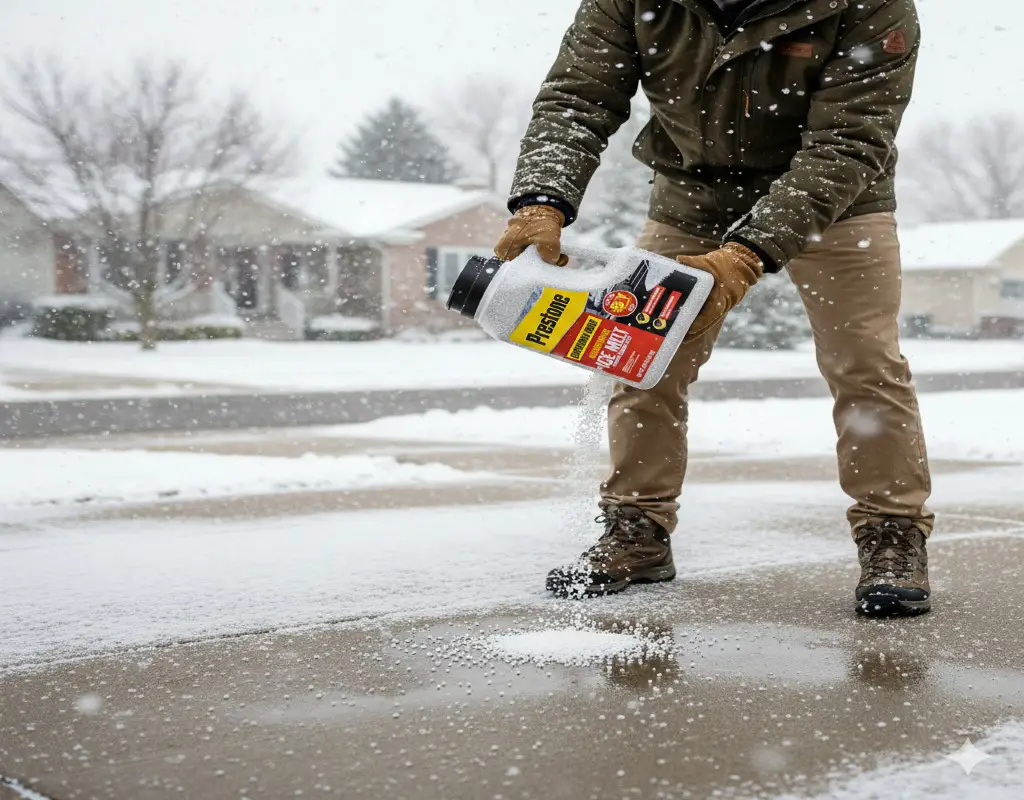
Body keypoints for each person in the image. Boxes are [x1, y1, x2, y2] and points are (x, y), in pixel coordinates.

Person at [494, 0, 933, 617]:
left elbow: (849, 141)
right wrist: (542, 199)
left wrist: (746, 255)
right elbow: (578, 96)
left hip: (838, 202)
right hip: (692, 195)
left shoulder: (869, 6)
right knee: (641, 356)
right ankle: (637, 529)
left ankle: (892, 531)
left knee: (864, 363)